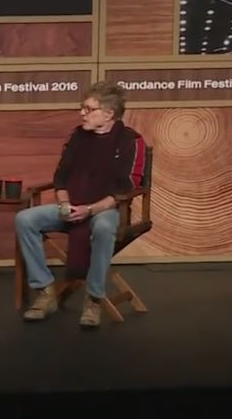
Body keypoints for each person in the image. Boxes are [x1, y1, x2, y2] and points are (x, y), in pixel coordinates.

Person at [14, 81, 147, 327]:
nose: (81, 113)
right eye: (82, 108)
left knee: (104, 227)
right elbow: (61, 177)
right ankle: (45, 291)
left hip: (107, 209)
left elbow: (127, 188)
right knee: (25, 219)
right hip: (72, 205)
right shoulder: (77, 136)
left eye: (88, 109)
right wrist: (65, 205)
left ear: (108, 114)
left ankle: (94, 298)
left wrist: (89, 209)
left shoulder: (131, 141)